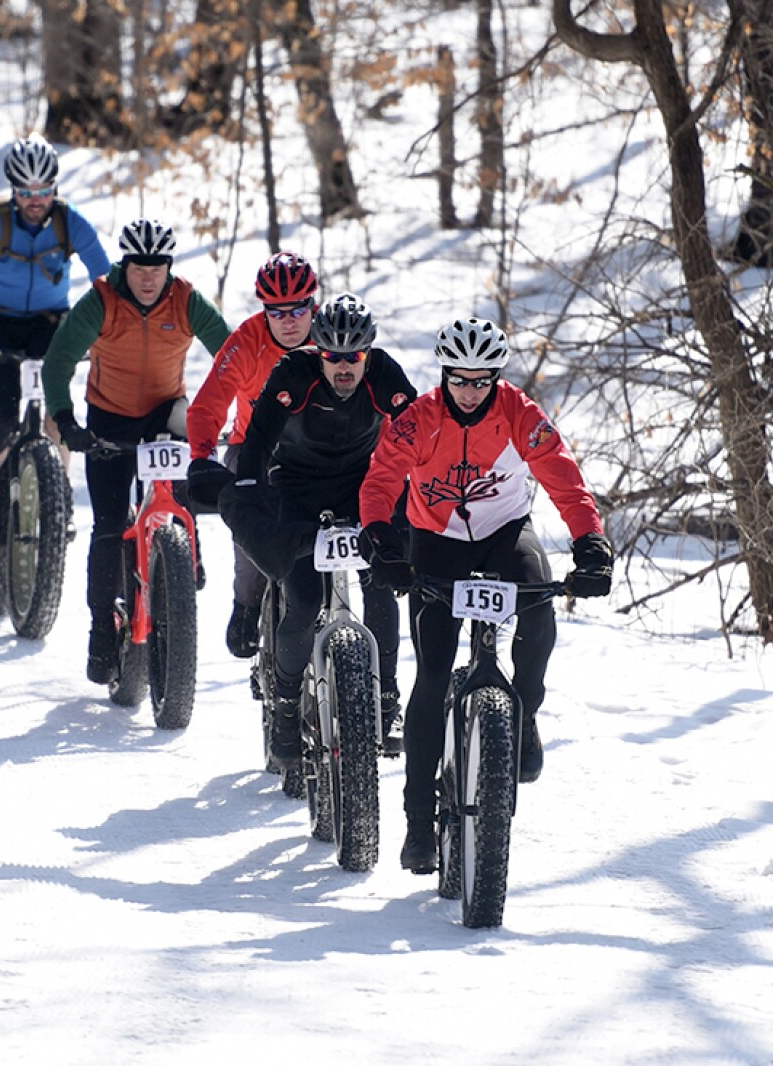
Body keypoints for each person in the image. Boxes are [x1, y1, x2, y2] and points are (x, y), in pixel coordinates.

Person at [358, 317, 613, 875]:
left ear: (497, 378)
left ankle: (522, 715)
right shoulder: (416, 420)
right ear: (445, 374)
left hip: (504, 535)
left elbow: (563, 476)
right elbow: (380, 482)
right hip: (436, 543)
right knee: (430, 678)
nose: (471, 391)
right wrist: (383, 541)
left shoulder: (520, 413)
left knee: (539, 610)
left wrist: (590, 543)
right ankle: (419, 823)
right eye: (461, 380)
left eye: (482, 381)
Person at [227, 293, 416, 770]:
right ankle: (287, 711)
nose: (344, 368)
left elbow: (421, 434)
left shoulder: (384, 375)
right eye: (333, 357)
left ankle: (386, 698)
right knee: (306, 600)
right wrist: (247, 488)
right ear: (319, 352)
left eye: (354, 357)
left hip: (361, 487)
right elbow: (258, 441)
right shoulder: (292, 374)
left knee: (383, 580)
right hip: (296, 490)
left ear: (367, 353)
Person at [43, 218, 231, 684]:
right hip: (108, 416)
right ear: (125, 266)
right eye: (139, 267)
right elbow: (59, 359)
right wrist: (67, 421)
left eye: (158, 267)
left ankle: (186, 549)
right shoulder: (101, 301)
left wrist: (238, 413)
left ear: (169, 267)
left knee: (189, 457)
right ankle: (101, 629)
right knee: (108, 526)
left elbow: (231, 355)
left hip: (164, 410)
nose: (148, 277)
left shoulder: (186, 300)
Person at [0, 133, 111, 561]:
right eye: (26, 193)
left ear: (55, 187)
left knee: (60, 416)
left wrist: (110, 329)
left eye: (44, 192)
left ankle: (61, 498)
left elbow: (106, 281)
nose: (36, 201)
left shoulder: (69, 223)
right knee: (3, 419)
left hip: (48, 326)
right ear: (14, 191)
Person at [185, 251, 319, 659]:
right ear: (264, 311)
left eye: (299, 309)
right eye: (277, 312)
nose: (290, 321)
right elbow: (207, 407)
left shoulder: (335, 339)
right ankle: (245, 604)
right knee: (251, 528)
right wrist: (202, 458)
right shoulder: (244, 342)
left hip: (320, 449)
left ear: (314, 304)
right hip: (253, 447)